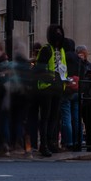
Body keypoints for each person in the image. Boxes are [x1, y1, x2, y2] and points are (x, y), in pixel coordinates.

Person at [35, 24, 68, 157]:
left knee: (54, 117)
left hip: (58, 87)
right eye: (56, 32)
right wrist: (48, 78)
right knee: (46, 117)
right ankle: (44, 145)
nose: (59, 34)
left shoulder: (62, 50)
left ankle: (50, 142)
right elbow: (39, 68)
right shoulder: (46, 49)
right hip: (47, 88)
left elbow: (64, 67)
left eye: (60, 31)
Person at [60, 38, 80, 151]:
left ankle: (68, 142)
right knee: (76, 118)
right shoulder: (78, 58)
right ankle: (78, 141)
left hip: (66, 88)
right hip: (77, 88)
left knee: (66, 117)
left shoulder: (64, 56)